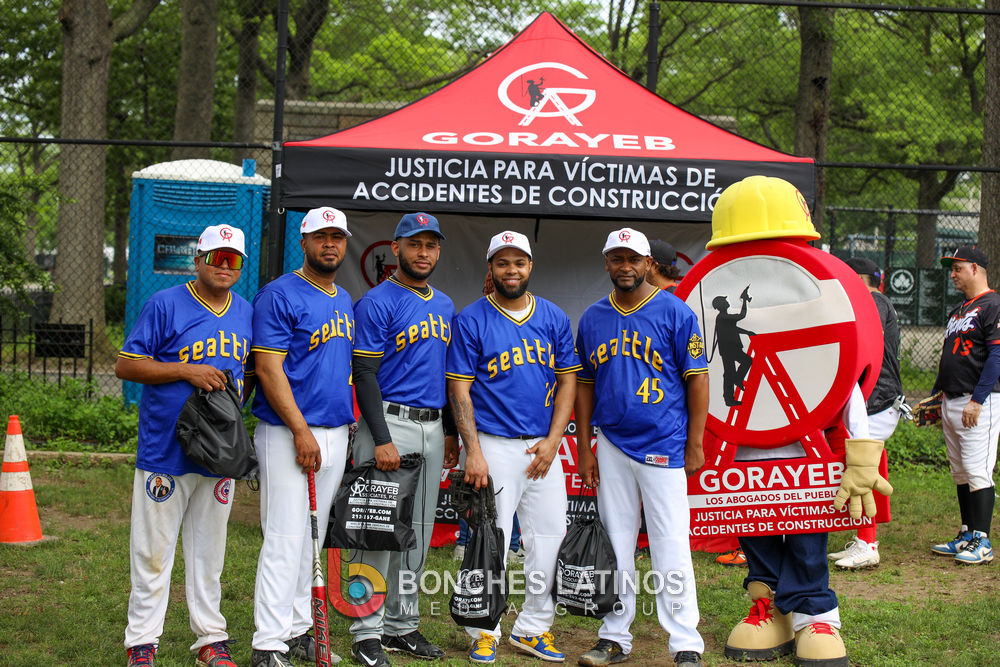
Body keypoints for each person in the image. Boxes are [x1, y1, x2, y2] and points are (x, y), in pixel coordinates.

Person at [116, 224, 254, 667]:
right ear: (198, 260)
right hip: (166, 448)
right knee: (152, 553)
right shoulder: (165, 303)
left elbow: (251, 372)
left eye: (233, 259)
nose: (224, 266)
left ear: (241, 267)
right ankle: (142, 643)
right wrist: (185, 370)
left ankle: (210, 638)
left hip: (219, 452)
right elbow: (126, 365)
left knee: (209, 553)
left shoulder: (246, 311)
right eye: (216, 257)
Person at [574, 228, 709, 667]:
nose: (625, 266)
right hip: (612, 442)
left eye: (633, 259)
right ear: (607, 263)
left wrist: (695, 443)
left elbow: (698, 379)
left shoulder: (676, 312)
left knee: (670, 544)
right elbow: (584, 384)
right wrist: (586, 447)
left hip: (663, 442)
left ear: (649, 263)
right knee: (615, 544)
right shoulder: (593, 317)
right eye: (617, 258)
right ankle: (614, 636)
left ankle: (685, 642)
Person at [447, 230, 581, 664]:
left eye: (519, 262)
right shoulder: (472, 318)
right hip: (493, 444)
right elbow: (460, 390)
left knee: (550, 539)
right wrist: (474, 451)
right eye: (502, 262)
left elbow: (568, 381)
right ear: (490, 268)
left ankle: (533, 627)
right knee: (490, 541)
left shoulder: (553, 317)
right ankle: (483, 630)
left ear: (530, 266)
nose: (511, 270)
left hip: (542, 447)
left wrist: (554, 441)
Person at [348, 212, 457, 666]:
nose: (423, 252)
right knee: (376, 533)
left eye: (430, 244)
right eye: (415, 244)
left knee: (418, 534)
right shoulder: (377, 302)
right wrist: (381, 438)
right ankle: (365, 632)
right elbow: (364, 373)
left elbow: (447, 376)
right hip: (390, 423)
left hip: (432, 426)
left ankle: (401, 626)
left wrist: (449, 431)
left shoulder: (445, 304)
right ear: (396, 249)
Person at [249, 207, 355, 667]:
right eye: (320, 236)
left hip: (334, 431)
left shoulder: (343, 297)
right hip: (288, 433)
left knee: (311, 538)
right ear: (304, 241)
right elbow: (268, 368)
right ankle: (267, 643)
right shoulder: (279, 294)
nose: (329, 244)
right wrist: (299, 429)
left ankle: (295, 629)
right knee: (283, 536)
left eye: (337, 236)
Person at [827, 257, 903, 570]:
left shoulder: (873, 301)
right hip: (875, 399)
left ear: (859, 279)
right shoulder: (879, 302)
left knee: (862, 466)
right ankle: (864, 539)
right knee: (861, 465)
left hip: (876, 400)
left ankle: (868, 544)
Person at [929, 245, 1000, 565]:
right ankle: (967, 533)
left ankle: (983, 542)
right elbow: (950, 357)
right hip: (952, 398)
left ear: (974, 269)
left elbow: (997, 356)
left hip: (978, 401)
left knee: (977, 470)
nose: (953, 275)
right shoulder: (960, 309)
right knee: (960, 472)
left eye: (957, 268)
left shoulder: (993, 304)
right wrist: (937, 395)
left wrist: (978, 399)